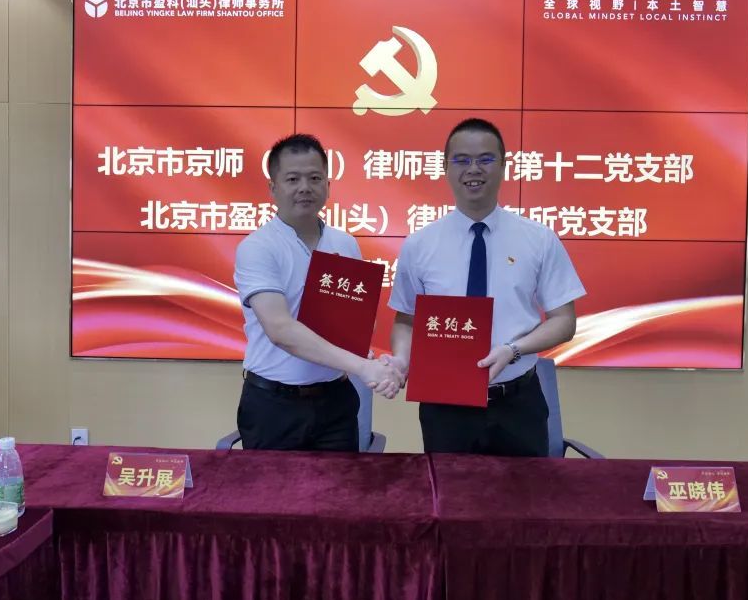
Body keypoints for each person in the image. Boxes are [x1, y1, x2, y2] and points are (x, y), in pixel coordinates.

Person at [387, 118, 586, 456]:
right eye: (461, 160)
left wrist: (513, 350)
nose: (473, 169)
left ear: (504, 166)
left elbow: (564, 321)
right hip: (445, 405)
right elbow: (405, 320)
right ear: (445, 167)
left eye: (485, 159)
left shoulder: (538, 239)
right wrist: (401, 361)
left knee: (523, 490)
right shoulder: (420, 244)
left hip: (517, 401)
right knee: (447, 490)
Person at [234, 133, 403, 451]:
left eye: (314, 178)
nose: (305, 188)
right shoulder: (258, 248)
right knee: (272, 486)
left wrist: (369, 357)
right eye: (292, 179)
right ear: (273, 188)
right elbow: (280, 330)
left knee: (341, 485)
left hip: (335, 402)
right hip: (274, 405)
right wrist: (363, 367)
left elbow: (356, 324)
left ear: (328, 185)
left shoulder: (345, 244)